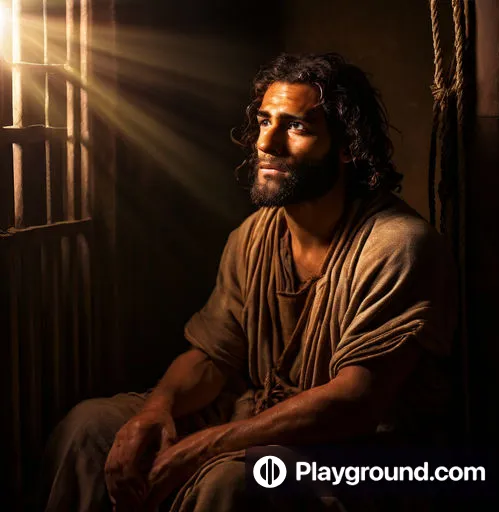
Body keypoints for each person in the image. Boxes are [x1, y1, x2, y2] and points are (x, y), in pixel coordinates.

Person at [40, 52, 457, 512]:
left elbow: (356, 401)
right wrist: (155, 411)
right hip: (255, 412)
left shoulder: (398, 245)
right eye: (264, 121)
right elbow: (212, 357)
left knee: (236, 481)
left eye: (297, 126)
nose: (268, 143)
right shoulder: (254, 235)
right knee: (91, 426)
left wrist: (206, 446)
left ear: (346, 146)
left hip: (362, 454)